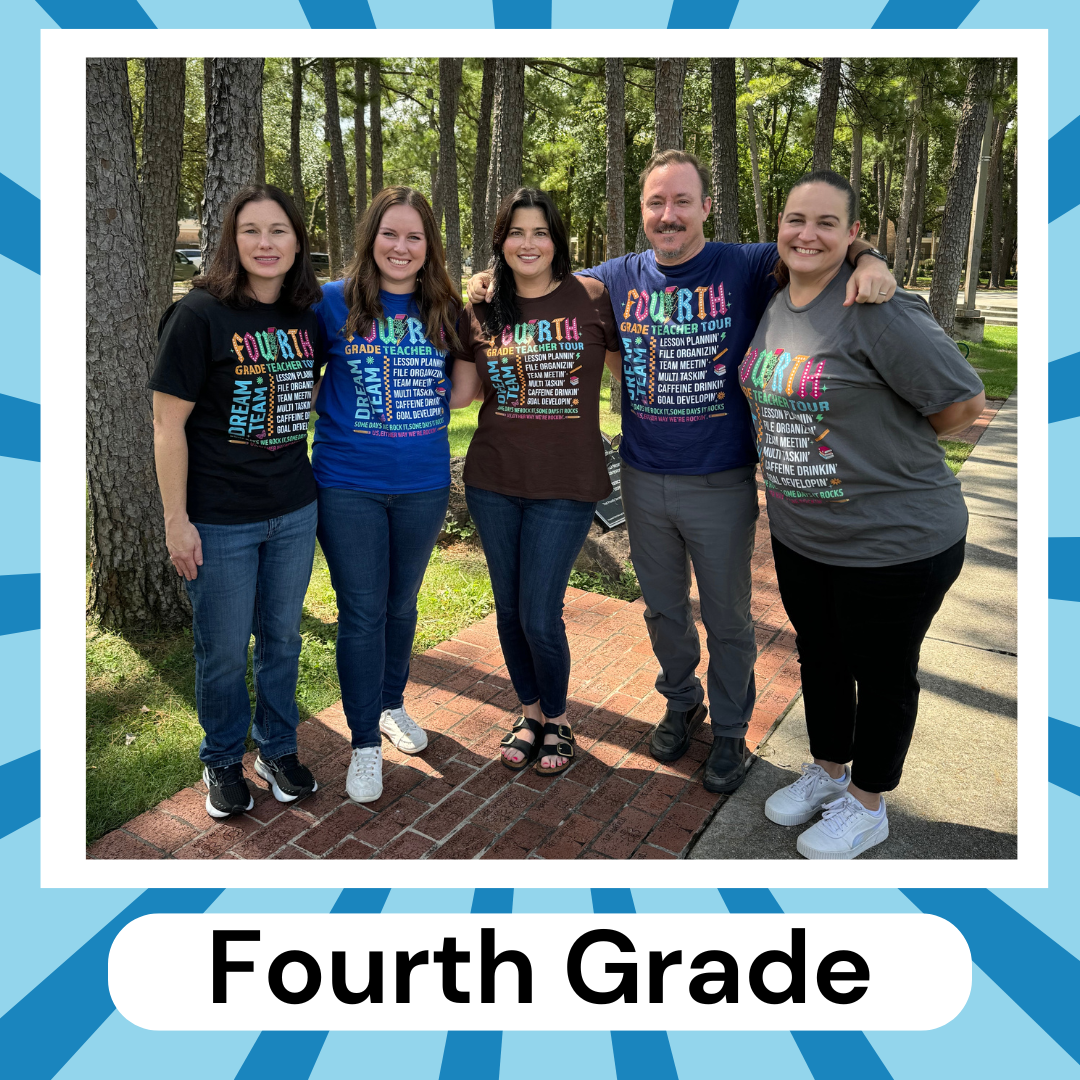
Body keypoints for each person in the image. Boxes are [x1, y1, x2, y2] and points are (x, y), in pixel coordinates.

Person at [469, 149, 898, 794]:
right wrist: (484, 277)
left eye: (681, 202)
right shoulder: (610, 279)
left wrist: (871, 258)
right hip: (642, 476)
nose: (668, 216)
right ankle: (681, 701)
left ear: (705, 206)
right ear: (642, 211)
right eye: (655, 203)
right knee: (663, 609)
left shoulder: (747, 265)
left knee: (726, 616)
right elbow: (536, 269)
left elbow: (819, 245)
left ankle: (729, 728)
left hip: (720, 478)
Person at [740, 170, 985, 858]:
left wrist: (881, 456)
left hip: (895, 540)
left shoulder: (879, 308)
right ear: (779, 228)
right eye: (795, 219)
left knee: (882, 673)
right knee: (820, 656)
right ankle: (827, 770)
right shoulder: (774, 297)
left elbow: (962, 408)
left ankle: (869, 802)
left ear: (853, 236)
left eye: (826, 223)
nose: (806, 233)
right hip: (802, 534)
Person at [150, 184, 324, 819]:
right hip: (219, 519)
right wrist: (177, 520)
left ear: (297, 241)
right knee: (222, 650)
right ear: (232, 240)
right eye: (251, 230)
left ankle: (276, 748)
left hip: (294, 510)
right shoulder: (198, 316)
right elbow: (167, 426)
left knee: (280, 639)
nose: (266, 242)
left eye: (279, 230)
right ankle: (222, 759)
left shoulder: (306, 316)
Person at [450, 188, 622, 775]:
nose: (529, 243)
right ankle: (528, 713)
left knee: (539, 614)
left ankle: (559, 717)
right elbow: (462, 395)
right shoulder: (482, 307)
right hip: (493, 479)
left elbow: (630, 372)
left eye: (540, 232)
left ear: (557, 240)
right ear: (500, 241)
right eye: (516, 232)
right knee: (506, 609)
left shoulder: (592, 295)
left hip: (567, 483)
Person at [312, 186, 461, 804]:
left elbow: (464, 380)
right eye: (390, 234)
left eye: (414, 237)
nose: (401, 247)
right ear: (371, 238)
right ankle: (363, 742)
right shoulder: (330, 303)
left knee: (401, 606)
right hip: (348, 485)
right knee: (363, 611)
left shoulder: (445, 310)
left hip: (424, 485)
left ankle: (391, 703)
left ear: (429, 248)